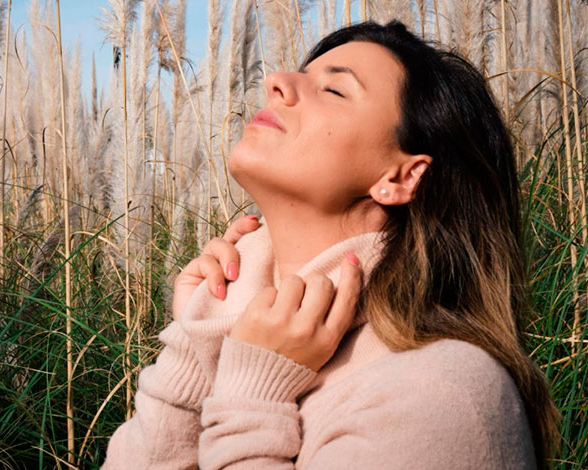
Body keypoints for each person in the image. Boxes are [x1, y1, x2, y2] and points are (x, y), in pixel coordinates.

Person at [100, 20, 560, 470]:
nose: (277, 82)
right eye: (299, 74)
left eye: (334, 90)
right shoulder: (236, 330)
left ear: (400, 176)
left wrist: (251, 394)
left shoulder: (443, 389)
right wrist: (203, 333)